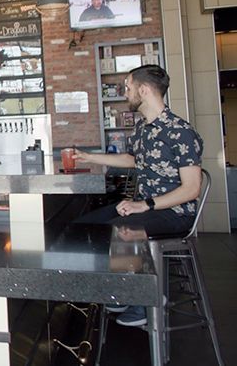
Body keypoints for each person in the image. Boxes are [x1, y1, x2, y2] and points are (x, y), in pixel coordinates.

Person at [73, 65, 203, 328]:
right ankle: (120, 289)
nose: (125, 93)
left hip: (175, 213)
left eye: (128, 87)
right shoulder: (143, 127)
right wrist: (90, 157)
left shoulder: (181, 131)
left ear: (143, 90)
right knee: (83, 227)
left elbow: (192, 189)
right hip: (146, 208)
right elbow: (132, 159)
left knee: (121, 231)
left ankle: (144, 299)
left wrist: (144, 205)